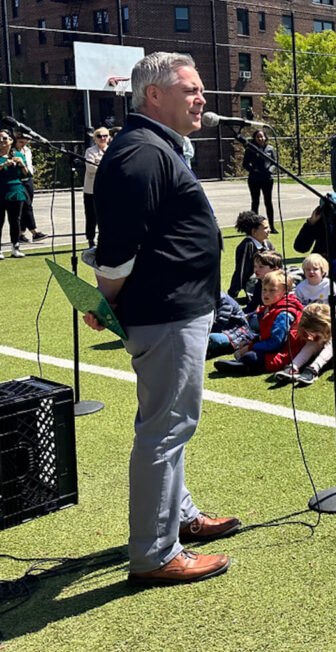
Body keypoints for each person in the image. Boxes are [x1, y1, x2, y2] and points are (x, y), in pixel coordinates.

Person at [84, 51, 236, 585]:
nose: (202, 98)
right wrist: (106, 300)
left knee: (171, 424)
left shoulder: (153, 147)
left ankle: (181, 517)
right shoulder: (141, 154)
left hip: (176, 310)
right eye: (191, 89)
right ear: (154, 95)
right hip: (166, 315)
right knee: (165, 431)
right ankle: (154, 554)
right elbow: (118, 248)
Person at [228, 211, 273, 301]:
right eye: (265, 228)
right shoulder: (247, 246)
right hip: (255, 281)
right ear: (254, 232)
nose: (269, 230)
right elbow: (241, 271)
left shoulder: (267, 243)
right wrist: (232, 294)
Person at [0, 130, 30, 259]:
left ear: (11, 140)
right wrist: (3, 165)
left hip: (16, 191)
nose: (2, 141)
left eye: (5, 138)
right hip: (1, 190)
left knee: (15, 220)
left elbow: (27, 174)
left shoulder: (18, 155)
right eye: (0, 139)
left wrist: (22, 164)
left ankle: (15, 247)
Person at [242, 128, 277, 233]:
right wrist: (253, 170)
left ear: (265, 137)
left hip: (267, 179)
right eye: (258, 137)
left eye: (262, 136)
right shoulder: (250, 148)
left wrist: (270, 171)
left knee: (268, 202)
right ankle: (254, 227)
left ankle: (271, 226)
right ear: (255, 138)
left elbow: (274, 162)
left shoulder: (270, 148)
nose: (260, 139)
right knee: (255, 202)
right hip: (254, 179)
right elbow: (245, 164)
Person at [11, 134, 44, 243]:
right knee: (27, 205)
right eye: (21, 142)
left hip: (28, 179)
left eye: (25, 142)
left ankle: (21, 233)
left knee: (25, 207)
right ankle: (35, 232)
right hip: (19, 180)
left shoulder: (27, 150)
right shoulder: (11, 152)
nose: (23, 144)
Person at [83, 125, 112, 247]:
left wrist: (99, 163)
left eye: (105, 136)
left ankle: (104, 239)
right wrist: (106, 167)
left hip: (107, 189)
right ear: (95, 138)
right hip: (91, 190)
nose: (102, 138)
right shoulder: (90, 151)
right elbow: (90, 168)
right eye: (99, 136)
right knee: (91, 216)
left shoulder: (112, 150)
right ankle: (90, 239)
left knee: (106, 216)